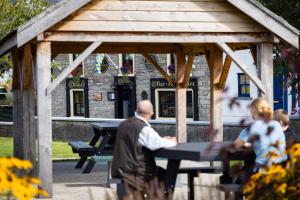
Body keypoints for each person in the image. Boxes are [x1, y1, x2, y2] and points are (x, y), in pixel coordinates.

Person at [111, 100, 177, 194]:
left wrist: (161, 139)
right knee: (168, 177)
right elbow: (157, 144)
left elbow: (140, 141)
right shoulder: (144, 128)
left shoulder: (124, 124)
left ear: (136, 111)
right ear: (151, 113)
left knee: (161, 172)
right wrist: (173, 141)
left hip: (119, 170)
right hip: (136, 174)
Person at [234, 98, 287, 170]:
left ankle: (234, 178)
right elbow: (267, 143)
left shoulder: (250, 129)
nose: (251, 116)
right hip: (283, 169)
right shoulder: (277, 125)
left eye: (251, 112)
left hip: (263, 171)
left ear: (254, 111)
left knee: (236, 162)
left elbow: (234, 146)